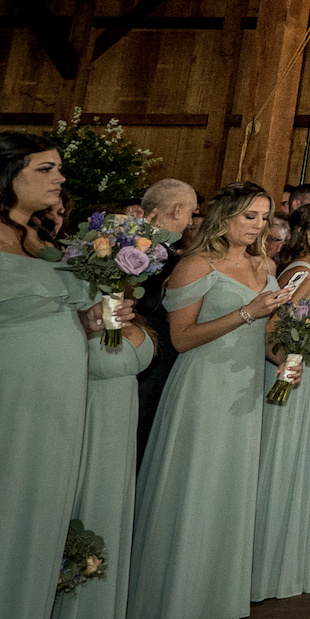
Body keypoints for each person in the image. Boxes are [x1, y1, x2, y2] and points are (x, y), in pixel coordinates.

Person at [0, 135, 100, 619]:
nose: (59, 179)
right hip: (0, 408)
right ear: (6, 174)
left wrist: (93, 318)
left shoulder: (38, 238)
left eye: (60, 170)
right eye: (45, 169)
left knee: (31, 534)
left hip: (52, 416)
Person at [128, 183, 293, 619]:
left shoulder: (266, 266)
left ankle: (211, 598)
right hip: (202, 388)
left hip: (245, 389)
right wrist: (247, 312)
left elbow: (268, 338)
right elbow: (181, 339)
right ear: (224, 217)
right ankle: (161, 607)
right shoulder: (196, 264)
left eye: (264, 217)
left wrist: (288, 357)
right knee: (191, 486)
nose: (258, 226)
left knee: (229, 488)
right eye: (249, 216)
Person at [35, 179, 158, 619]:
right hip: (80, 422)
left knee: (106, 520)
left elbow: (136, 350)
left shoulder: (121, 293)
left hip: (117, 432)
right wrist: (85, 326)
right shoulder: (62, 285)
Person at [252, 200, 310, 603]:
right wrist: (285, 362)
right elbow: (273, 327)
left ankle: (289, 563)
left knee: (305, 462)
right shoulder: (301, 273)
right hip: (294, 374)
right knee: (283, 459)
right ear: (306, 229)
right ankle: (265, 567)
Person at [131, 177, 197, 452]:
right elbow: (150, 302)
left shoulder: (130, 240)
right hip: (152, 350)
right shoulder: (148, 250)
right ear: (178, 209)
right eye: (191, 212)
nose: (191, 221)